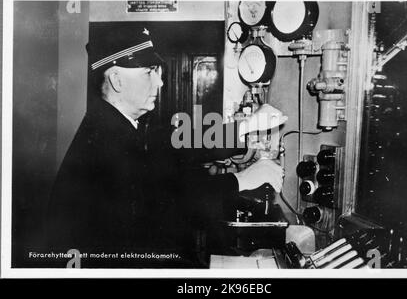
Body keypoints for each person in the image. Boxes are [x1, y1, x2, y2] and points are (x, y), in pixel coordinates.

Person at [46, 26, 285, 268]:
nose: (160, 82)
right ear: (117, 81)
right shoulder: (106, 141)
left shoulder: (117, 123)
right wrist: (243, 179)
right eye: (149, 72)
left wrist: (243, 128)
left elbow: (173, 142)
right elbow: (171, 198)